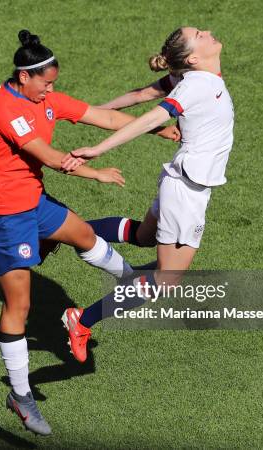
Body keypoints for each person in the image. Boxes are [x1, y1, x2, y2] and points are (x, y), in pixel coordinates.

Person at [0, 29, 179, 435]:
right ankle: (20, 395)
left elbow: (102, 116)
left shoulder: (45, 99)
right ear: (24, 78)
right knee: (20, 306)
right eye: (46, 83)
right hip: (4, 217)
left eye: (53, 83)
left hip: (34, 202)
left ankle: (128, 279)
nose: (51, 90)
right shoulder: (5, 107)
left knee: (85, 235)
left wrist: (157, 128)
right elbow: (50, 157)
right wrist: (96, 172)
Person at [61, 27, 235, 363]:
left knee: (143, 236)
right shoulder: (198, 84)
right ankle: (82, 320)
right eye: (200, 34)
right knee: (167, 280)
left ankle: (61, 231)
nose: (209, 31)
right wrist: (99, 148)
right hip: (187, 190)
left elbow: (141, 94)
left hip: (182, 182)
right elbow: (150, 116)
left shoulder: (197, 77)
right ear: (194, 57)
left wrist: (88, 113)